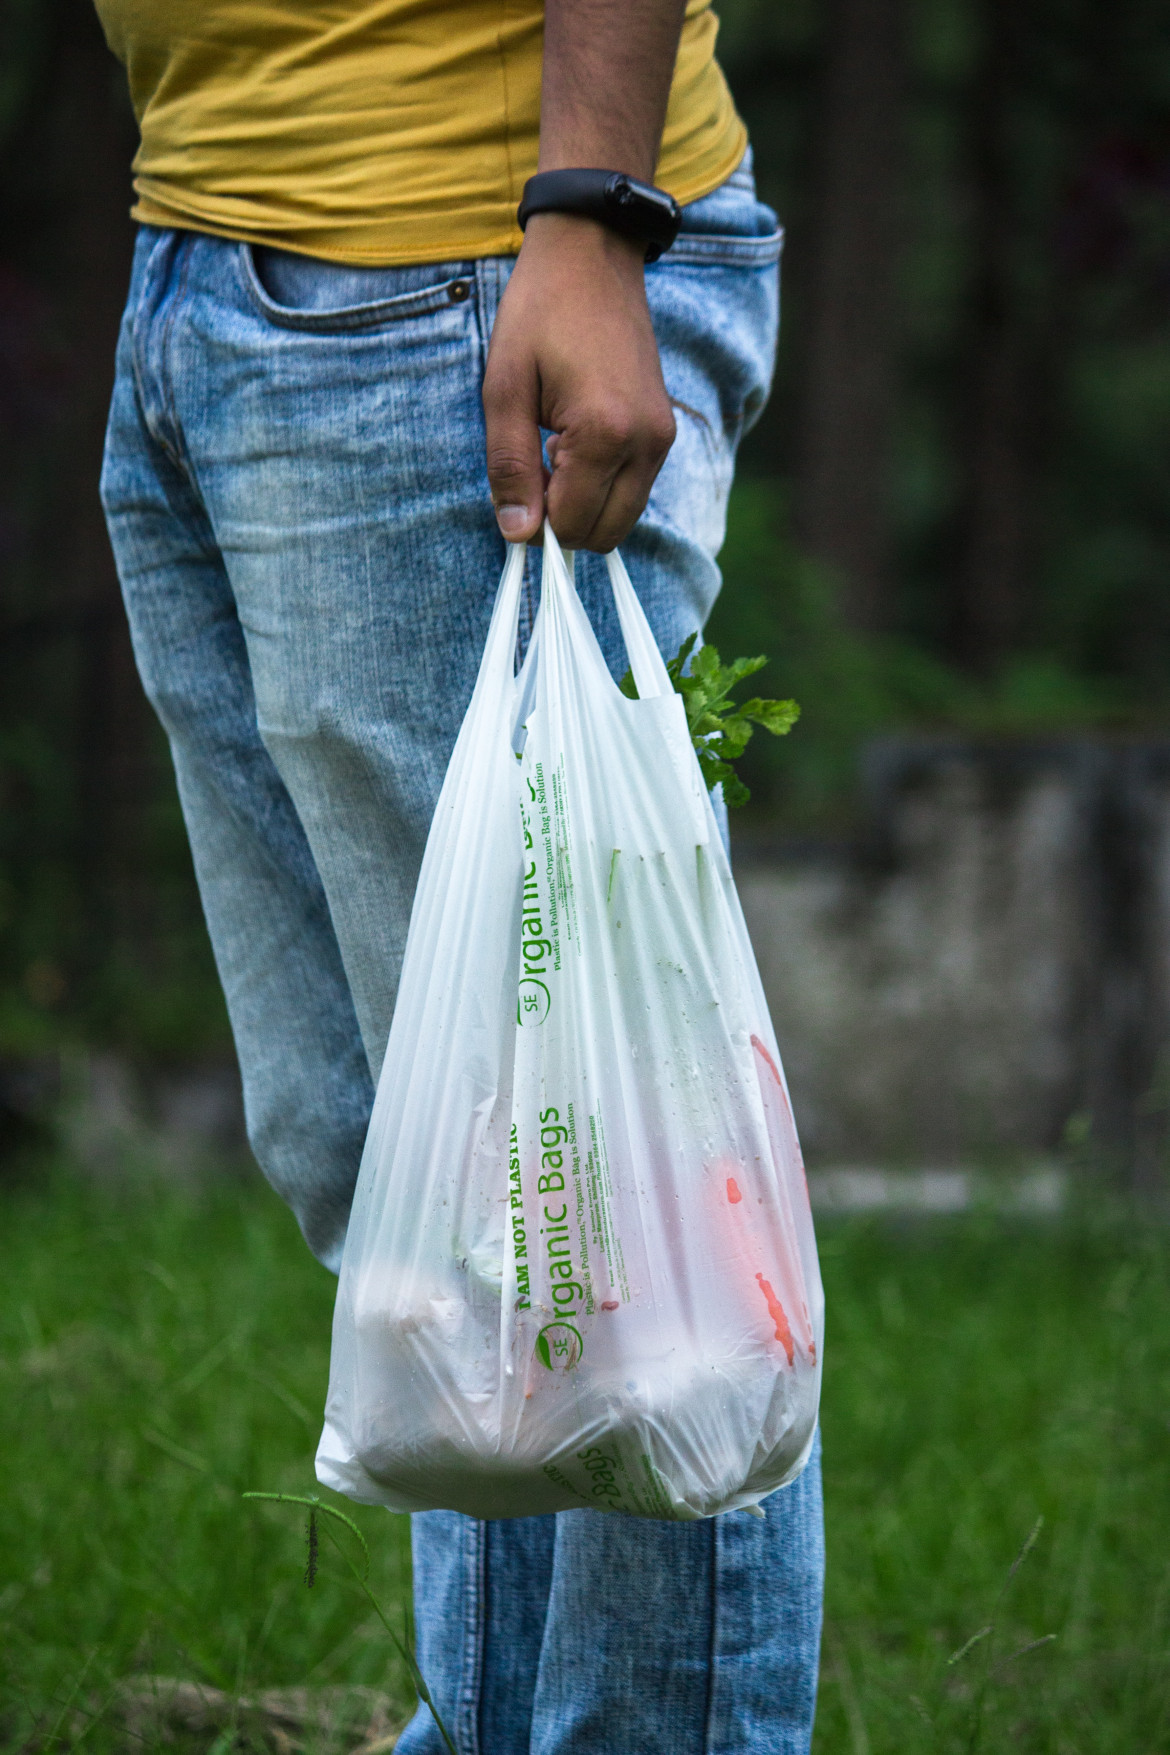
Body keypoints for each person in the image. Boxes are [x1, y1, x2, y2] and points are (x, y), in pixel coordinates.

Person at [94, 1, 824, 1748]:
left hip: (466, 262)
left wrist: (589, 211)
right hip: (211, 257)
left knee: (613, 1228)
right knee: (433, 1194)